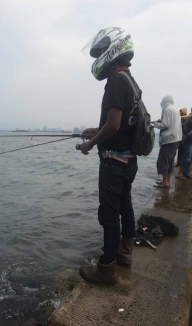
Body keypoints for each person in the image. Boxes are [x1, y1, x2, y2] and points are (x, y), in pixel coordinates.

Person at [76, 27, 138, 285]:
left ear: (113, 49)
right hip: (129, 161)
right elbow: (121, 124)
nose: (98, 58)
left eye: (100, 52)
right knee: (125, 206)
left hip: (113, 163)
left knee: (109, 216)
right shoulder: (129, 80)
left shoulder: (115, 81)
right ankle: (125, 254)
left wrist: (89, 143)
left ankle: (106, 270)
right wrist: (95, 129)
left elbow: (113, 126)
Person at [152, 96, 182, 189]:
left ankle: (165, 182)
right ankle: (168, 181)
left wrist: (155, 124)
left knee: (162, 161)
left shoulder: (168, 110)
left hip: (169, 140)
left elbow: (165, 125)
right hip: (176, 139)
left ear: (165, 102)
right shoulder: (176, 110)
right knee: (170, 161)